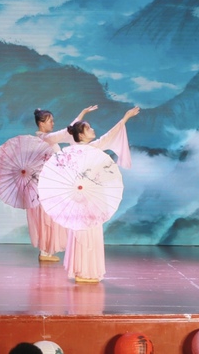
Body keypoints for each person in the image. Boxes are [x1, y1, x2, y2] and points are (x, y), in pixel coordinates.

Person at [63, 106, 140, 282]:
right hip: (87, 197)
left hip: (83, 195)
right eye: (88, 128)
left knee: (84, 231)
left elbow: (108, 137)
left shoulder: (74, 151)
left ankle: (82, 270)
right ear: (81, 135)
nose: (92, 130)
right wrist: (125, 118)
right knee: (88, 232)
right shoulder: (89, 149)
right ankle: (85, 271)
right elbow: (110, 136)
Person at [30, 105, 97, 262]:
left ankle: (46, 251)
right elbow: (67, 131)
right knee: (47, 219)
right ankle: (45, 252)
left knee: (50, 218)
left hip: (49, 184)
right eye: (50, 121)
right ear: (41, 123)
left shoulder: (47, 138)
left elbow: (67, 132)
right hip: (46, 186)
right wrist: (82, 113)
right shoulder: (44, 138)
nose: (53, 123)